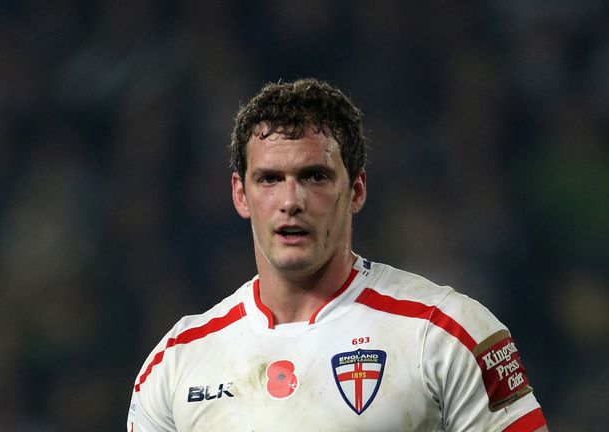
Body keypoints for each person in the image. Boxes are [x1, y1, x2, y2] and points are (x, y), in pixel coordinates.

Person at [127, 78, 548, 431]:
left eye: (314, 176)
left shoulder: (443, 335)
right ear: (240, 194)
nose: (291, 201)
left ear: (356, 190)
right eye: (270, 178)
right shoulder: (177, 363)